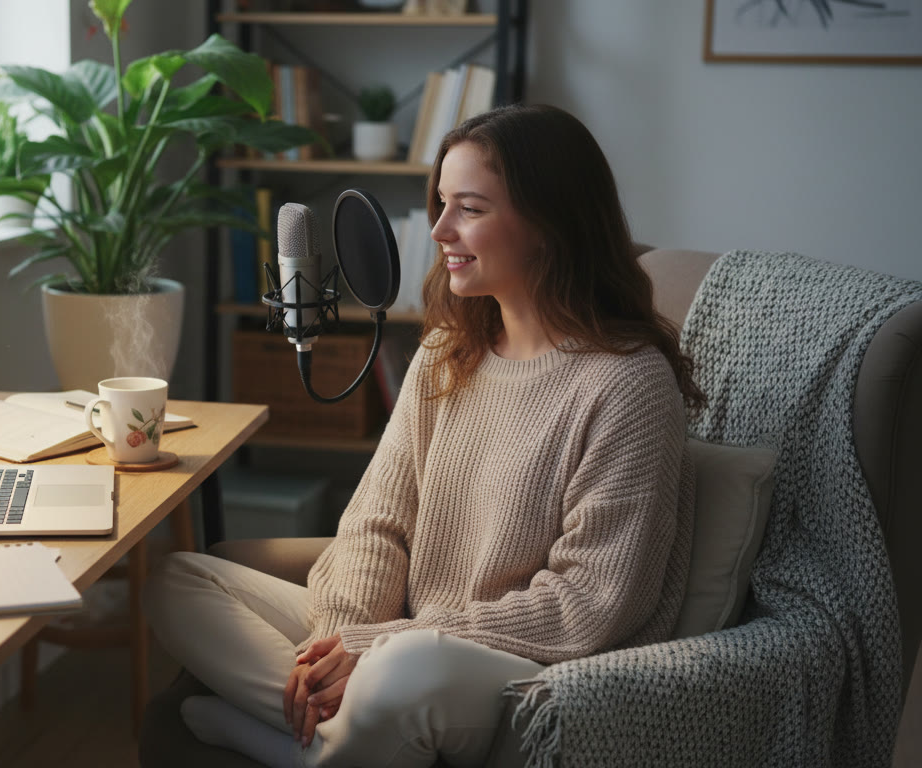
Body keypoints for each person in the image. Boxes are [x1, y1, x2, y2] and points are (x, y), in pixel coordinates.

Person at [144, 103, 703, 768]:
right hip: (401, 637)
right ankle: (332, 731)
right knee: (181, 582)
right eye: (441, 203)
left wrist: (388, 643)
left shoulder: (627, 386)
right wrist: (341, 639)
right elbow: (379, 520)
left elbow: (588, 606)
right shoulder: (447, 352)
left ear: (550, 224)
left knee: (406, 671)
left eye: (469, 208)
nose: (439, 230)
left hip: (514, 665)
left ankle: (292, 745)